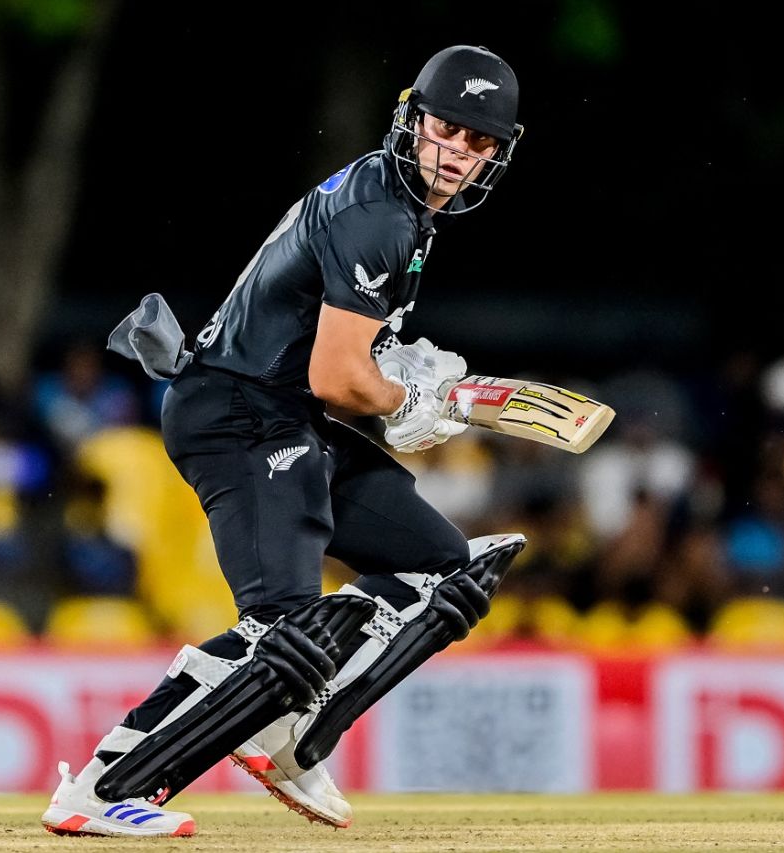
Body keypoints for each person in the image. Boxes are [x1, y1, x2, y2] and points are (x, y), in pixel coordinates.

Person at [42, 45, 528, 837]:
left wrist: (408, 377)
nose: (459, 155)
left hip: (283, 413)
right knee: (284, 630)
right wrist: (420, 402)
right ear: (412, 121)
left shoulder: (404, 213)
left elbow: (340, 359)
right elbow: (342, 380)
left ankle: (294, 733)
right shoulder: (378, 213)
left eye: (480, 144)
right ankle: (99, 788)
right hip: (236, 413)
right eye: (449, 129)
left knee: (446, 571)